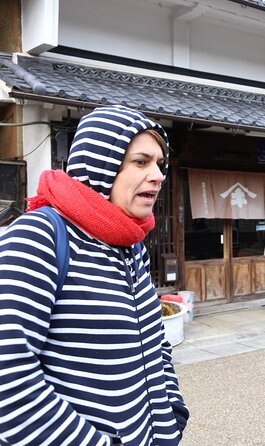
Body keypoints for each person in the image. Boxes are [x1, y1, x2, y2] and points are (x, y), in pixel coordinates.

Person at [0, 105, 189, 445]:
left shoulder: (131, 246)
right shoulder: (39, 236)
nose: (159, 175)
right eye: (141, 162)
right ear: (101, 163)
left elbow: (156, 340)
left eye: (160, 164)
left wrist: (171, 413)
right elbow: (8, 373)